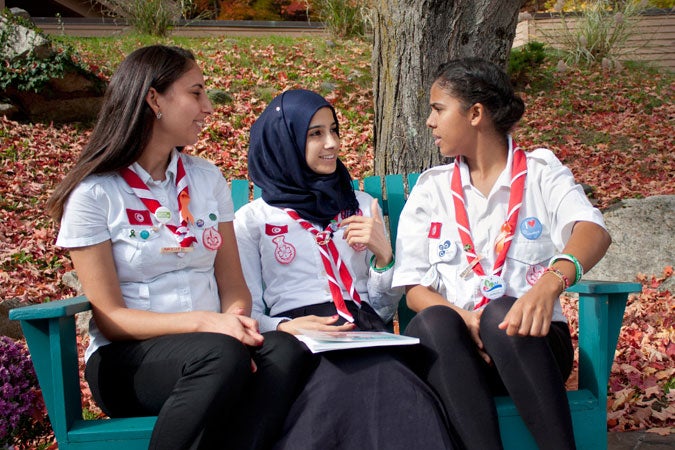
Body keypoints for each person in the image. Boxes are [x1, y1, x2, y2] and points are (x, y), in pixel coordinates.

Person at [46, 45, 314, 450]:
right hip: (129, 361)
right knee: (220, 357)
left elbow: (233, 286)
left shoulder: (207, 180)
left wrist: (234, 322)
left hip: (219, 350)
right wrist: (207, 324)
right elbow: (112, 318)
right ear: (154, 98)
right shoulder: (95, 194)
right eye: (196, 93)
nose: (208, 107)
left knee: (286, 351)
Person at [393, 58, 611, 450]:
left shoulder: (541, 172)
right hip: (459, 354)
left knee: (501, 315)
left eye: (438, 109)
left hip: (531, 346)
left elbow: (592, 231)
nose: (429, 121)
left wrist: (549, 285)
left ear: (475, 113)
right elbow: (413, 288)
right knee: (434, 322)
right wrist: (464, 318)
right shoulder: (431, 190)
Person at [234, 89, 453, 449]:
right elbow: (248, 311)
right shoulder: (252, 221)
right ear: (283, 142)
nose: (332, 143)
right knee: (335, 388)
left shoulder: (361, 206)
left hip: (363, 329)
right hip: (298, 337)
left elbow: (381, 309)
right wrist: (286, 327)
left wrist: (384, 256)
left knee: (398, 386)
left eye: (334, 130)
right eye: (315, 134)